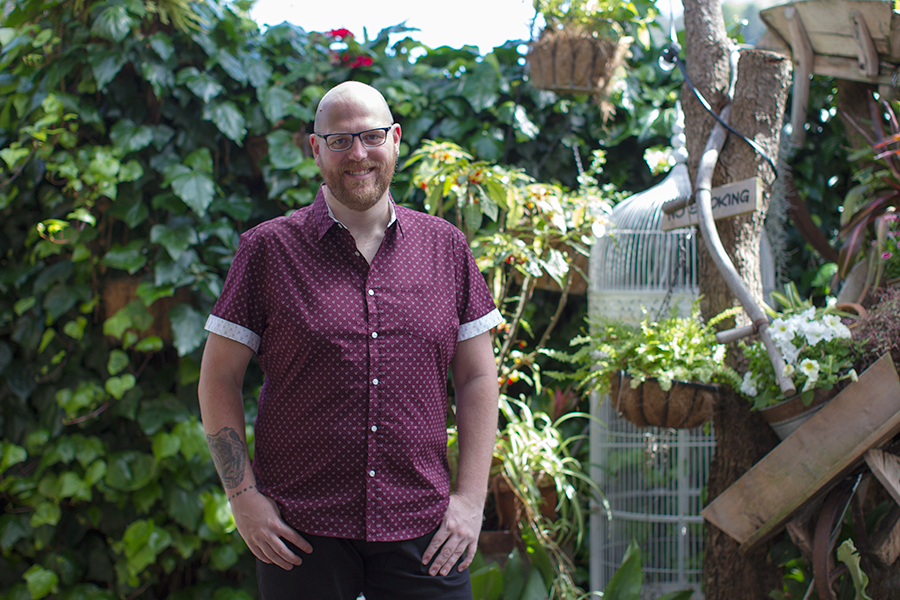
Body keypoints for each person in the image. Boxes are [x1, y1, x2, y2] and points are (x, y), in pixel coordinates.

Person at [198, 81, 502, 600]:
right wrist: (242, 497)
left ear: (396, 139)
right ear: (316, 149)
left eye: (371, 136)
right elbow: (218, 378)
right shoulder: (268, 251)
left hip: (424, 531)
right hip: (300, 533)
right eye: (339, 140)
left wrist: (472, 499)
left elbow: (477, 377)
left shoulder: (446, 247)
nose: (357, 154)